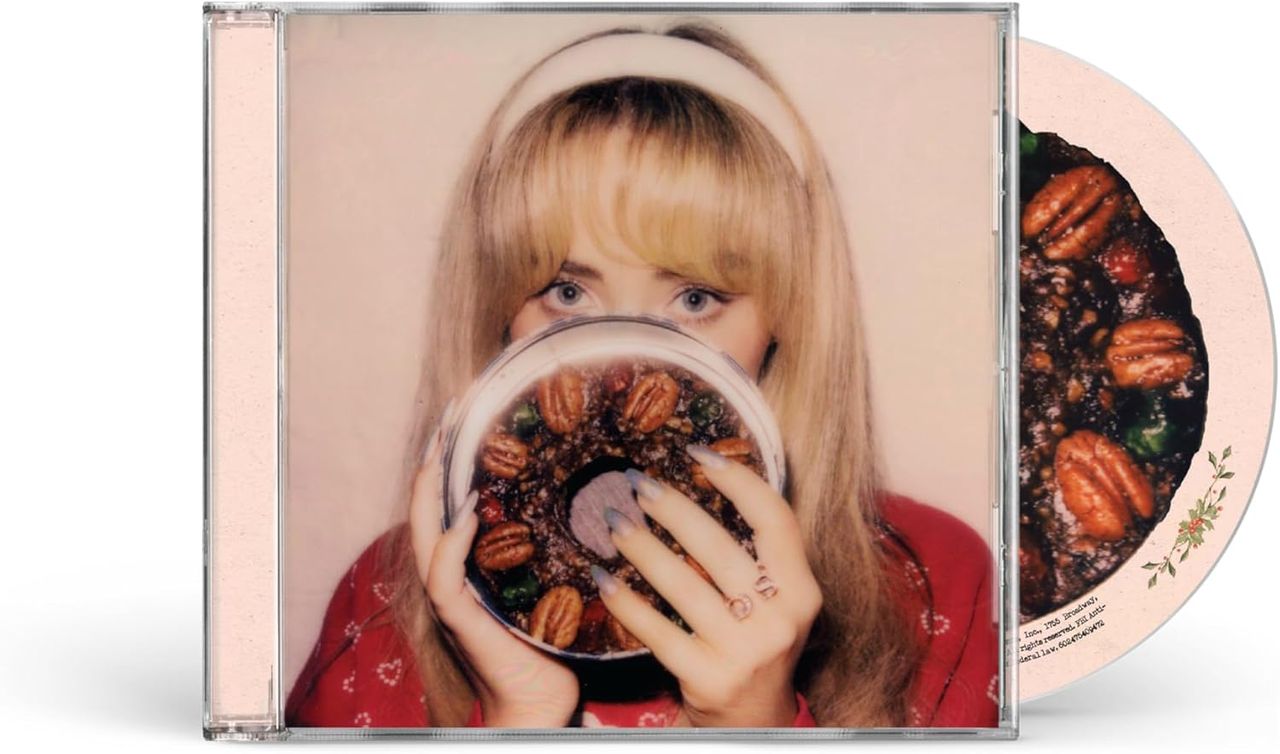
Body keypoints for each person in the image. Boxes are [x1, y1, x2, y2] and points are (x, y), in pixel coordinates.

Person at [286, 20, 998, 729]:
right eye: (568, 292)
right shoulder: (379, 614)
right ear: (497, 310)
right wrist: (519, 719)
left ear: (788, 314)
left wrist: (757, 725)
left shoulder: (931, 586)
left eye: (695, 298)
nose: (622, 362)